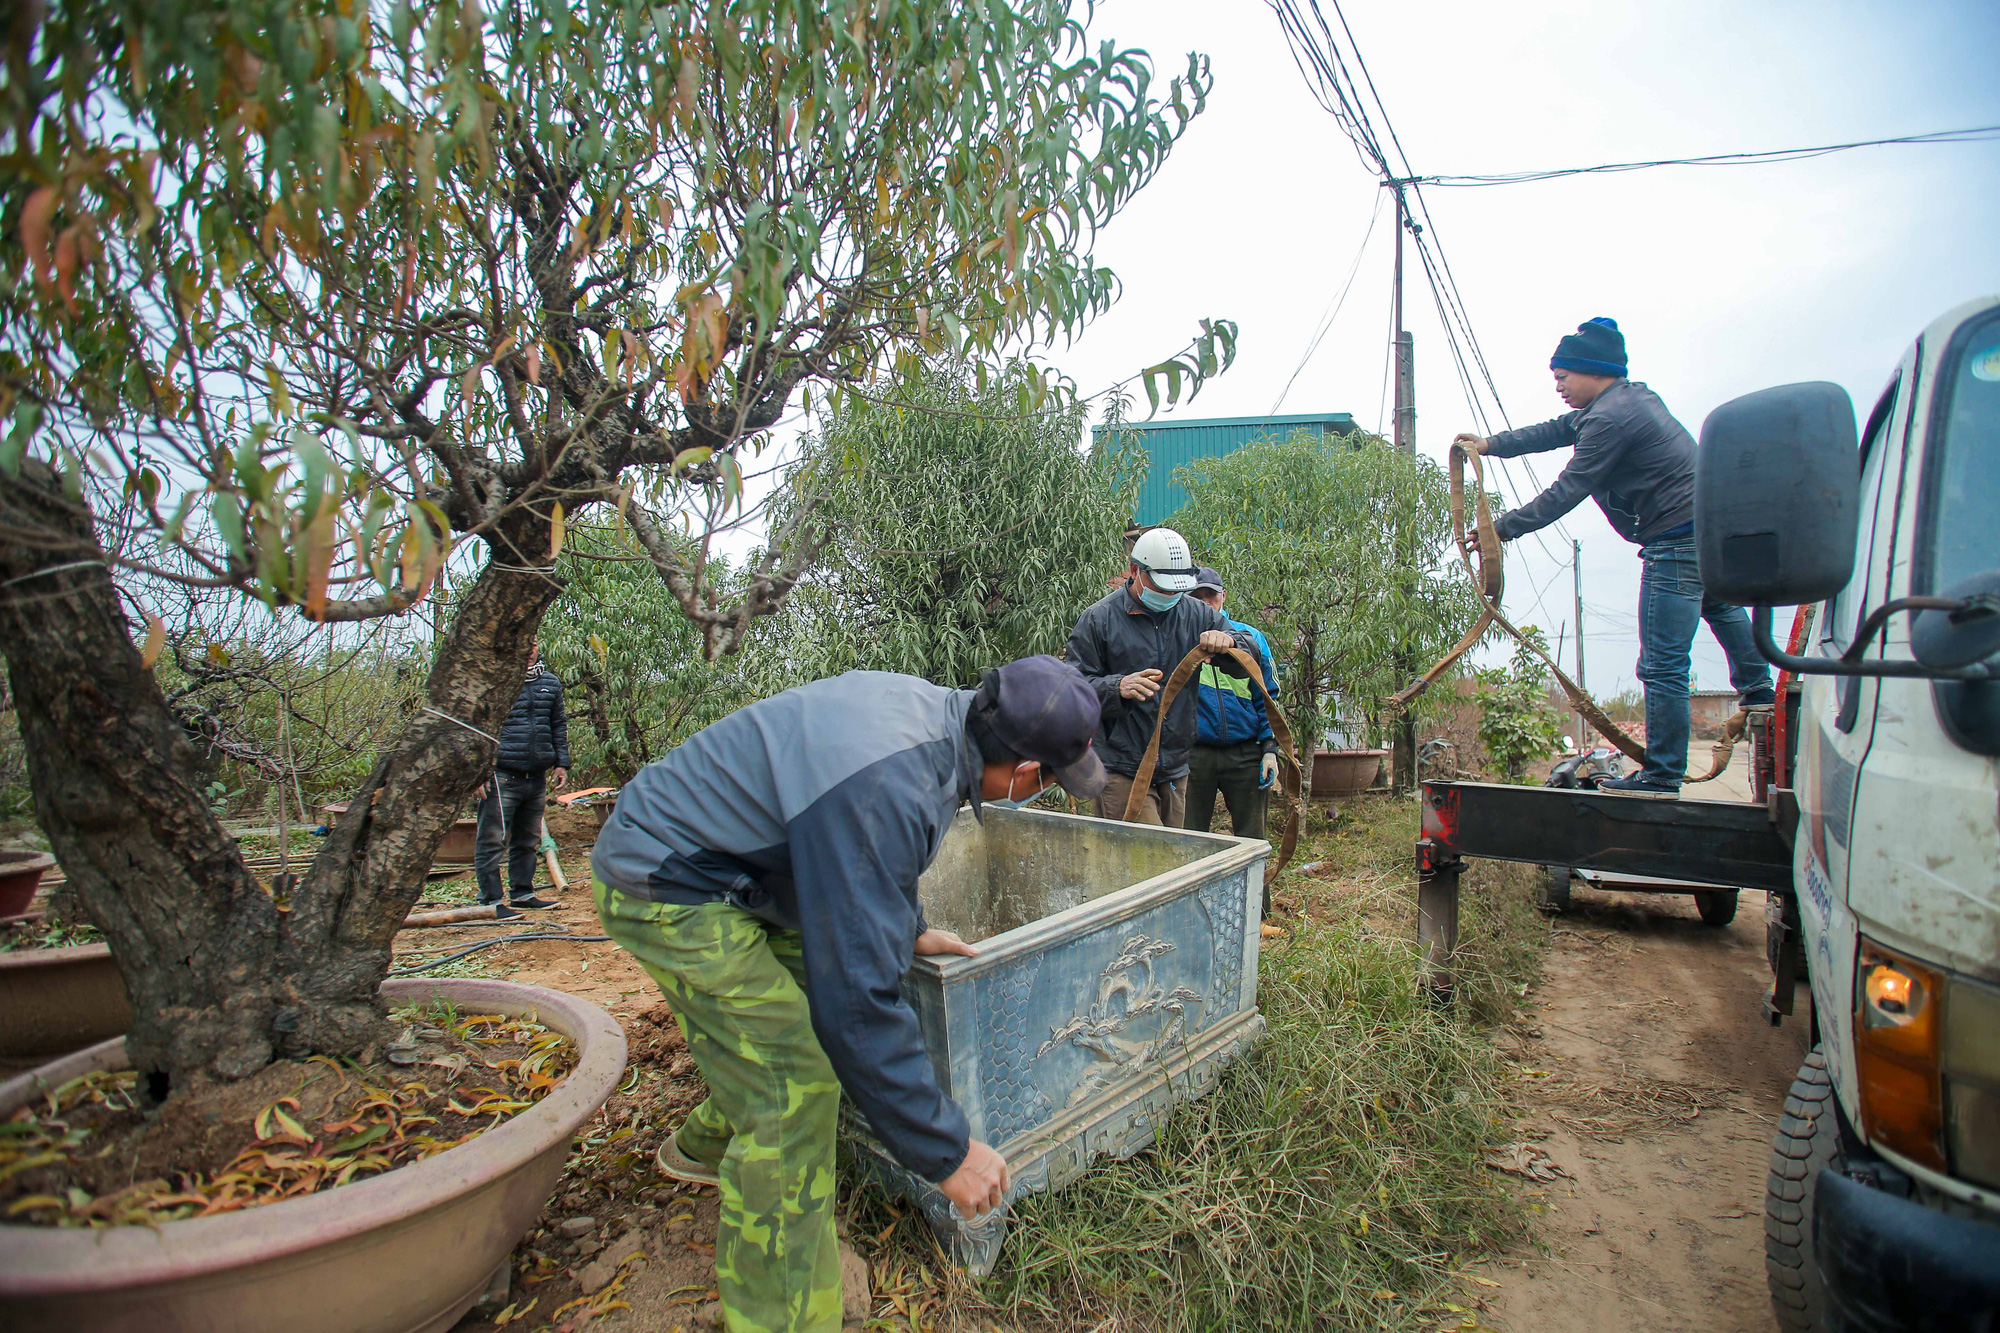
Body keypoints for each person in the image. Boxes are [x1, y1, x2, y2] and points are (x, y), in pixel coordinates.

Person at [589, 656, 1107, 1333]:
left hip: (746, 865)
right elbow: (857, 1007)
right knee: (793, 1082)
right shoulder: (892, 782)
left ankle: (705, 1147)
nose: (1045, 792)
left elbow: (858, 857)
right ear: (1026, 772)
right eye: (1052, 782)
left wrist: (907, 928)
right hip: (669, 878)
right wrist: (947, 1150)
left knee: (793, 1013)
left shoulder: (939, 718)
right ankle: (784, 1316)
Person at [1456, 317, 1775, 799]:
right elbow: (1554, 431)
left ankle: (1662, 775)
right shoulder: (1627, 399)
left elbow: (1569, 488)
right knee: (1720, 607)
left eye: (1563, 374)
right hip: (1704, 530)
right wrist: (1491, 445)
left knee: (1663, 664)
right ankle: (1759, 693)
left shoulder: (1611, 418)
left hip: (1674, 537)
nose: (1557, 384)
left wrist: (1499, 528)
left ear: (1594, 370)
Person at [1066, 526, 1261, 826]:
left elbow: (1251, 655)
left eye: (1176, 588)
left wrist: (1232, 643)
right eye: (1163, 587)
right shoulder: (1098, 619)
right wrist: (1117, 687)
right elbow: (1073, 692)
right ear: (1135, 570)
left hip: (1175, 768)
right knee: (1139, 859)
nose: (1170, 595)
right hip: (1121, 768)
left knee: (1172, 860)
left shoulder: (1196, 613)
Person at [1183, 568, 1281, 839]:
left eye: (1210, 595)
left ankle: (1255, 884)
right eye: (1196, 596)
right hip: (1194, 754)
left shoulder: (1250, 638)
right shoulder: (1180, 638)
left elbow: (1268, 696)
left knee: (1252, 841)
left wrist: (1270, 749)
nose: (1205, 603)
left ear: (1223, 596)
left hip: (1245, 753)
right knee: (1189, 840)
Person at [474, 638, 570, 911]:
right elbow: (478, 729)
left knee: (528, 840)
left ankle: (523, 894)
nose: (528, 649)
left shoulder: (550, 683)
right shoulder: (496, 682)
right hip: (500, 775)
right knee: (492, 840)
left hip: (536, 776)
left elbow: (557, 724)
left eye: (534, 643)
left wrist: (561, 763)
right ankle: (490, 901)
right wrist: (478, 772)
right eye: (523, 642)